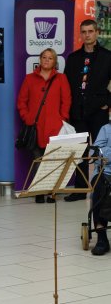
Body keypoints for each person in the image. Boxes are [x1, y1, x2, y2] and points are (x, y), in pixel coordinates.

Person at [64, 19, 111, 202]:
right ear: (80, 34)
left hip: (98, 111)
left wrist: (107, 102)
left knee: (100, 151)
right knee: (80, 152)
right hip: (78, 112)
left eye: (90, 31)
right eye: (84, 32)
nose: (87, 35)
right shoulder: (73, 58)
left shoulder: (107, 56)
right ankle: (80, 189)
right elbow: (67, 86)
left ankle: (103, 187)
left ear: (96, 33)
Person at [17, 48, 72, 203]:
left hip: (55, 128)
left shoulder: (61, 78)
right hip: (35, 127)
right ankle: (40, 191)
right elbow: (22, 101)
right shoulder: (29, 79)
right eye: (44, 57)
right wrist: (27, 118)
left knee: (54, 161)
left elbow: (66, 101)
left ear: (55, 61)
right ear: (40, 60)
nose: (47, 60)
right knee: (38, 160)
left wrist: (63, 118)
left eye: (50, 58)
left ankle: (52, 192)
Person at [90, 122, 111, 255]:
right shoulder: (106, 129)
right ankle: (101, 237)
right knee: (100, 188)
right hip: (105, 172)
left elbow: (104, 152)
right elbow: (95, 152)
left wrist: (107, 152)